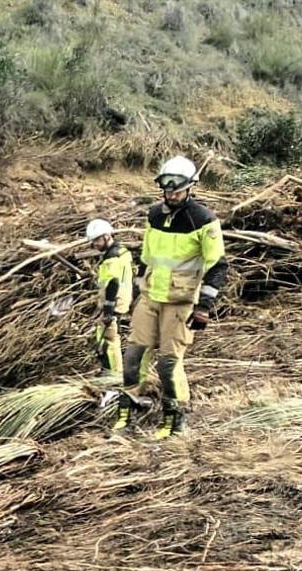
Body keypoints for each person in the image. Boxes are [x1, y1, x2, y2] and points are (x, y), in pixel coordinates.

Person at [114, 155, 229, 440]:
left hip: (180, 302)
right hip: (152, 297)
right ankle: (128, 410)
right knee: (132, 356)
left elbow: (218, 266)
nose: (172, 194)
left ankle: (175, 420)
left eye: (177, 190)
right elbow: (146, 259)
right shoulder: (154, 215)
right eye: (167, 190)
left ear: (190, 188)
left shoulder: (203, 220)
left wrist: (204, 306)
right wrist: (137, 294)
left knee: (168, 363)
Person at [86, 219, 133, 380]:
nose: (94, 245)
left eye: (97, 240)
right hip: (119, 302)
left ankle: (113, 376)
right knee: (103, 338)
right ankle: (109, 371)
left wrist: (107, 310)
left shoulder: (112, 258)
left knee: (109, 342)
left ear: (107, 237)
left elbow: (113, 283)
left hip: (113, 304)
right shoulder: (122, 251)